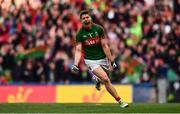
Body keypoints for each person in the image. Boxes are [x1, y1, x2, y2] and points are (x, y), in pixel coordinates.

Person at [71, 10, 128, 108]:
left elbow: (105, 46)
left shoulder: (99, 29)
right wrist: (75, 64)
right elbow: (78, 50)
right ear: (81, 21)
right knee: (106, 79)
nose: (86, 19)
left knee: (105, 77)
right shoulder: (80, 34)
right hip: (91, 61)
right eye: (83, 18)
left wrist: (112, 60)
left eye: (87, 17)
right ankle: (120, 101)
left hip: (103, 58)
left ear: (91, 18)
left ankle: (97, 79)